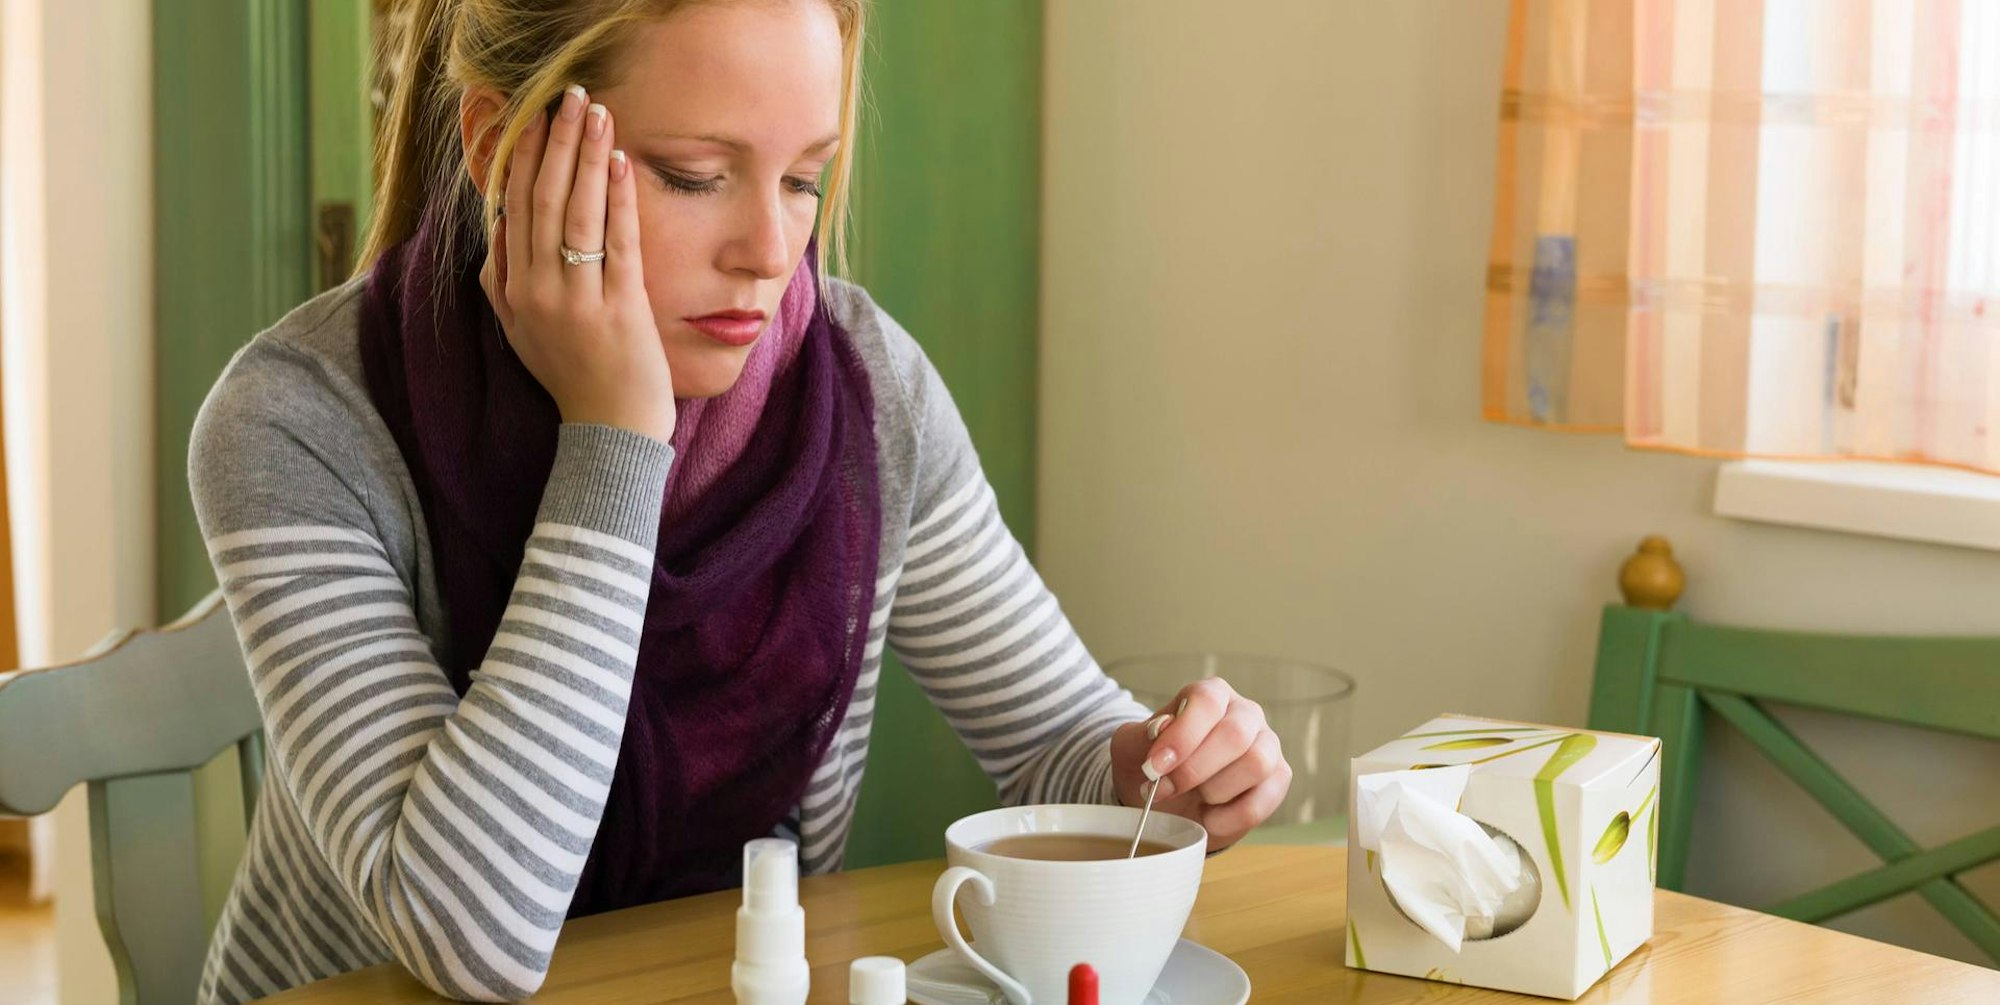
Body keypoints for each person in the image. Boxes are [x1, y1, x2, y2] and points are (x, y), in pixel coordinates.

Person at [188, 1, 1292, 1001]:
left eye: (804, 178)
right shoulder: (297, 422)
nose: (771, 252)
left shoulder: (867, 390)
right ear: (498, 147)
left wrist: (1161, 770)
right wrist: (615, 439)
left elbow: (1053, 742)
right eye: (690, 174)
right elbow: (466, 936)